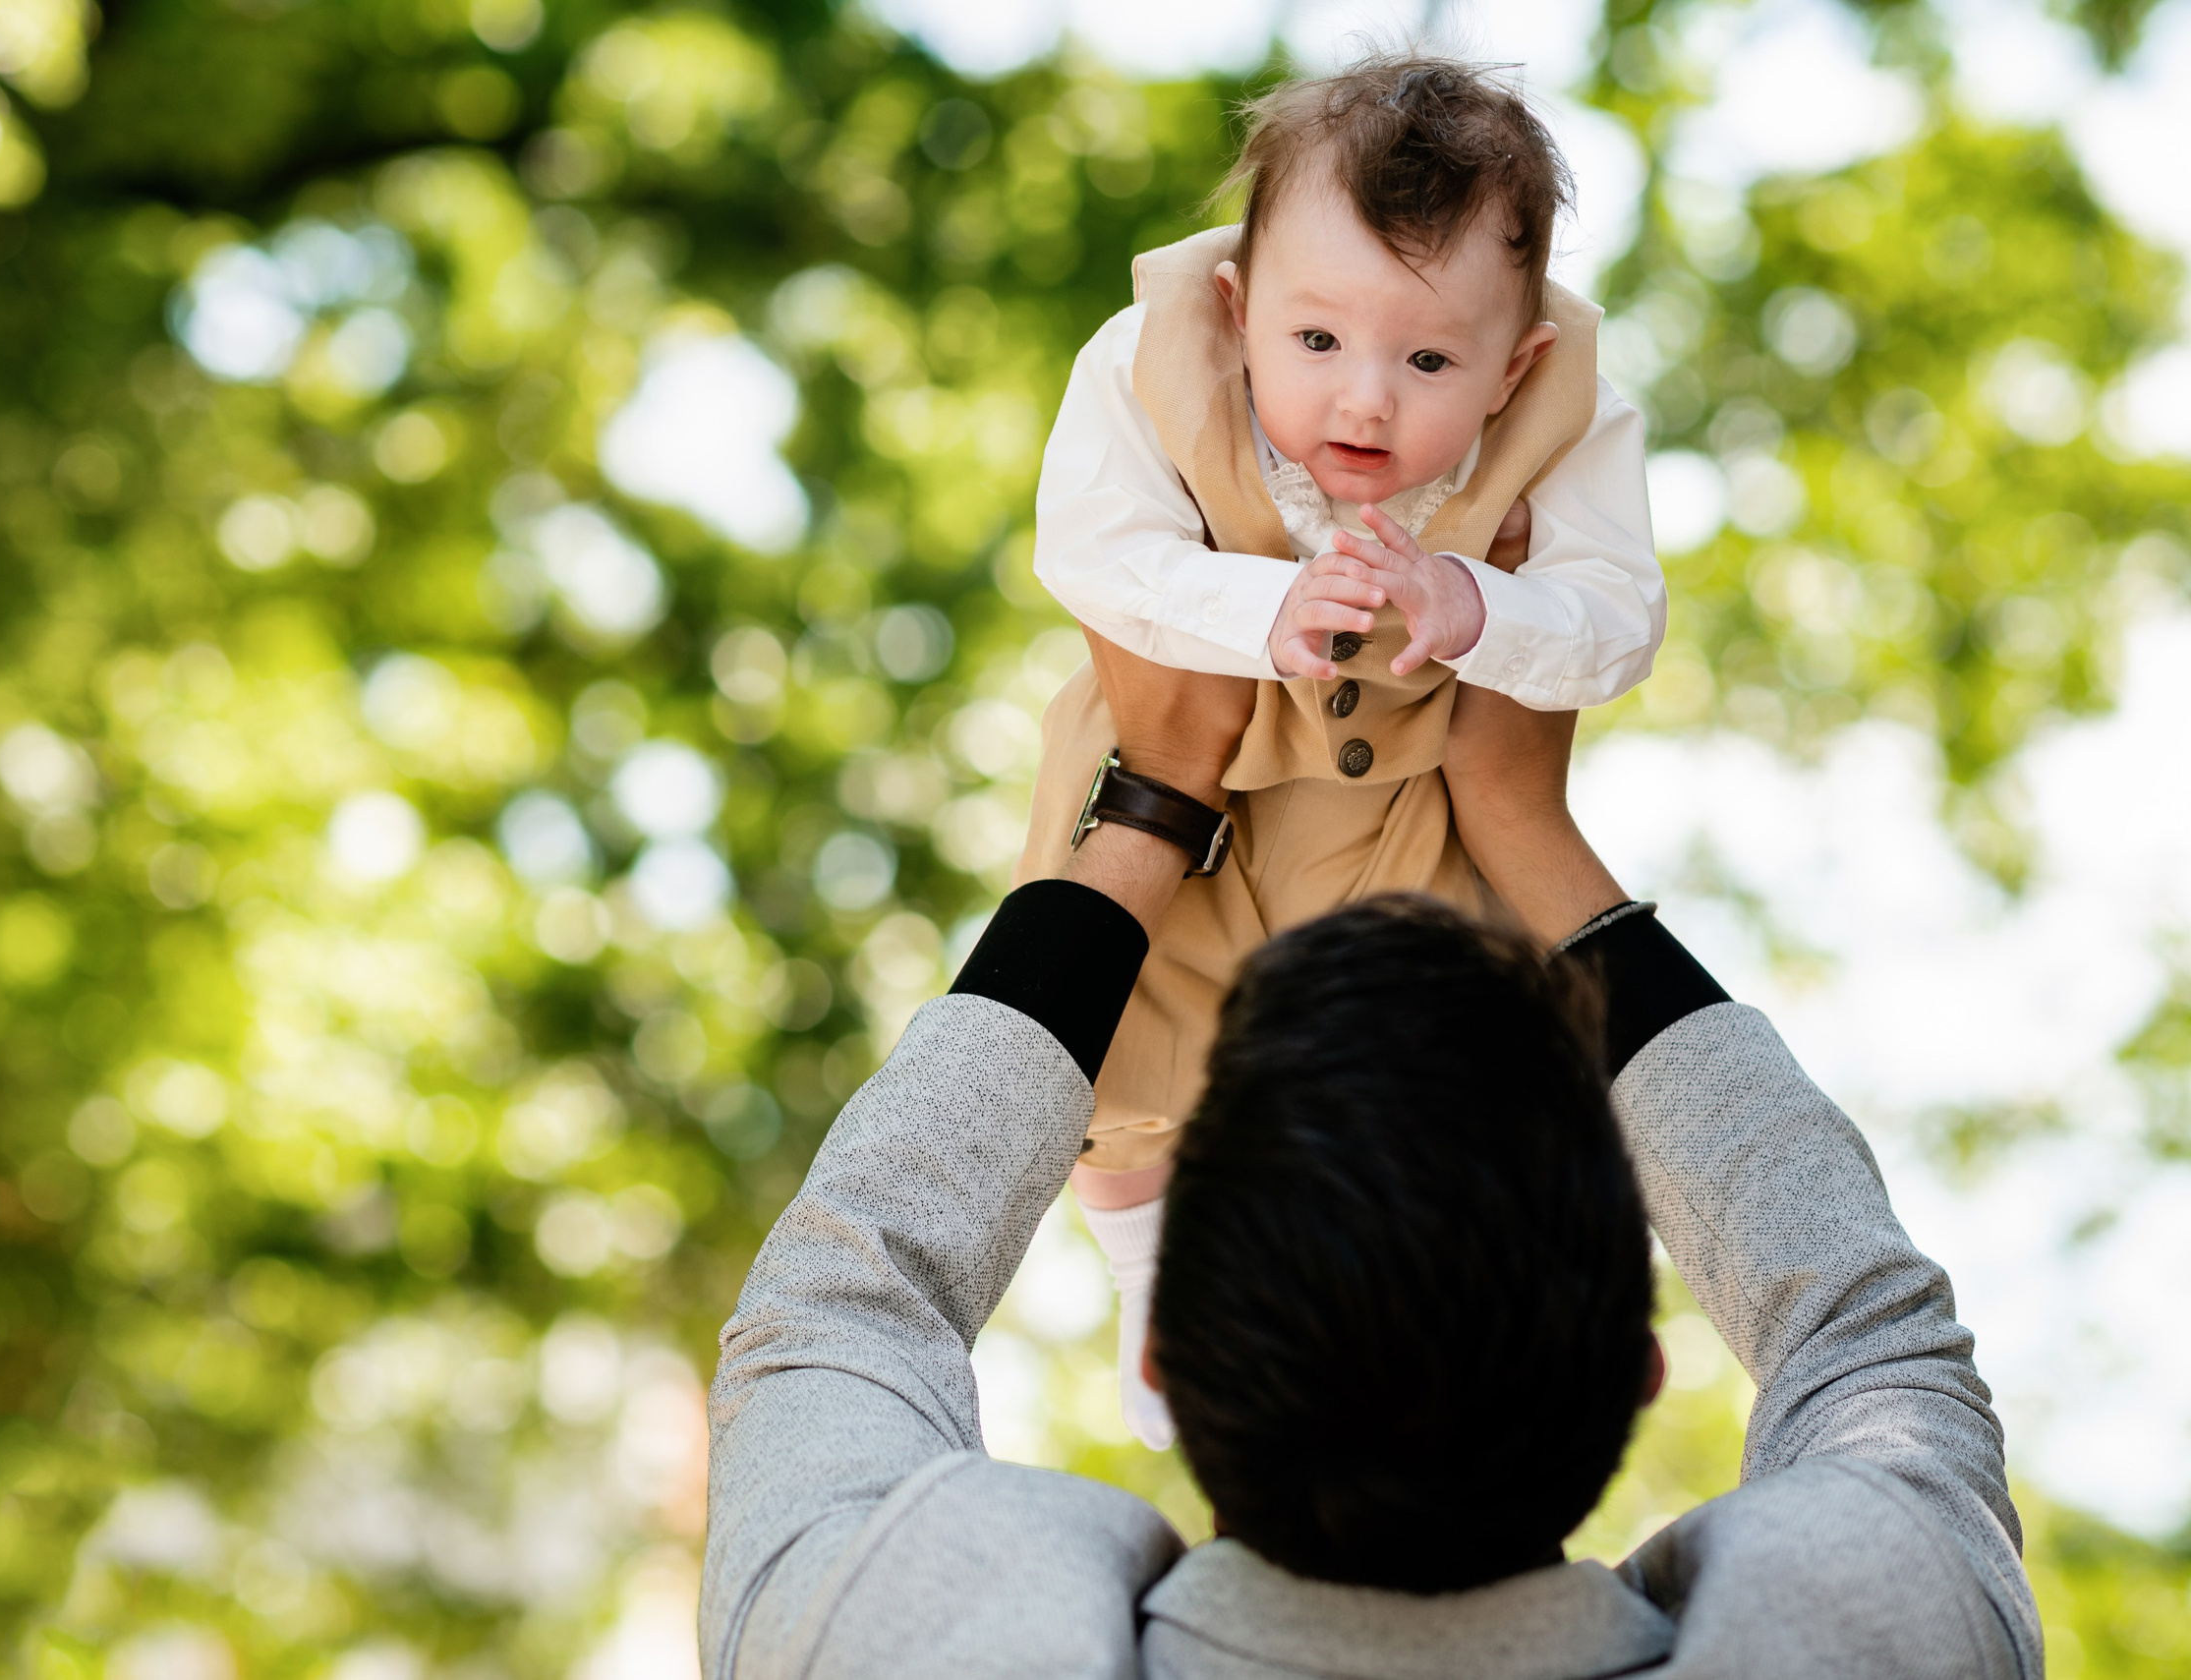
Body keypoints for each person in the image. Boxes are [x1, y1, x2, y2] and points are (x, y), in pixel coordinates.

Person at [700, 644, 2041, 1679]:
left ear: (1156, 1343)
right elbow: (1874, 1345)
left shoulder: (898, 1634)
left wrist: (1151, 801)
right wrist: (1524, 825)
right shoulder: (1883, 1629)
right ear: (1642, 1373)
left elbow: (840, 1306)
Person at [1016, 55, 1667, 1446]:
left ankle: (1447, 1329)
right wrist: (1266, 608)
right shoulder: (1145, 363)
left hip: (1422, 825)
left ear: (1519, 360)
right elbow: (1091, 549)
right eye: (1316, 344)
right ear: (1245, 305)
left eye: (1429, 361)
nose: (1364, 402)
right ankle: (1149, 1277)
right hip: (1192, 812)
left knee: (1438, 1093)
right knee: (1113, 1073)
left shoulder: (1580, 420)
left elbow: (1616, 624)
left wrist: (1480, 602)